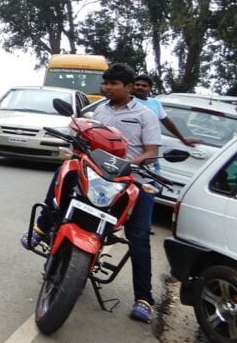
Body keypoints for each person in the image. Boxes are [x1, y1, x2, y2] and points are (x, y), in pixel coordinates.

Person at [21, 63, 160, 324]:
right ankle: (41, 229)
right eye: (105, 83)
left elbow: (151, 152)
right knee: (66, 169)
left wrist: (133, 163)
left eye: (113, 83)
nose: (106, 87)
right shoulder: (98, 111)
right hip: (96, 175)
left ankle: (144, 298)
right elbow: (82, 135)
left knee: (139, 237)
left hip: (130, 180)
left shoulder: (144, 115)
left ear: (129, 87)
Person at [132, 74, 199, 147]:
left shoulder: (155, 102)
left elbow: (166, 122)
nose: (140, 87)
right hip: (132, 144)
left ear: (150, 89)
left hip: (151, 145)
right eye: (137, 85)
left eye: (144, 86)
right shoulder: (128, 101)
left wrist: (182, 139)